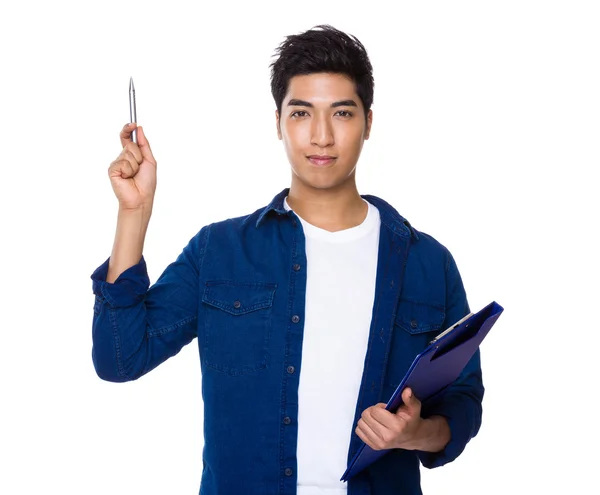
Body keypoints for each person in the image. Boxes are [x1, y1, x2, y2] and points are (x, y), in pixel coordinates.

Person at [90, 24, 484, 495]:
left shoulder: (428, 263)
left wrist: (418, 433)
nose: (321, 136)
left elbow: (464, 400)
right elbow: (119, 358)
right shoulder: (219, 251)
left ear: (369, 122)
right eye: (302, 113)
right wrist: (134, 212)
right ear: (278, 122)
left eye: (342, 112)